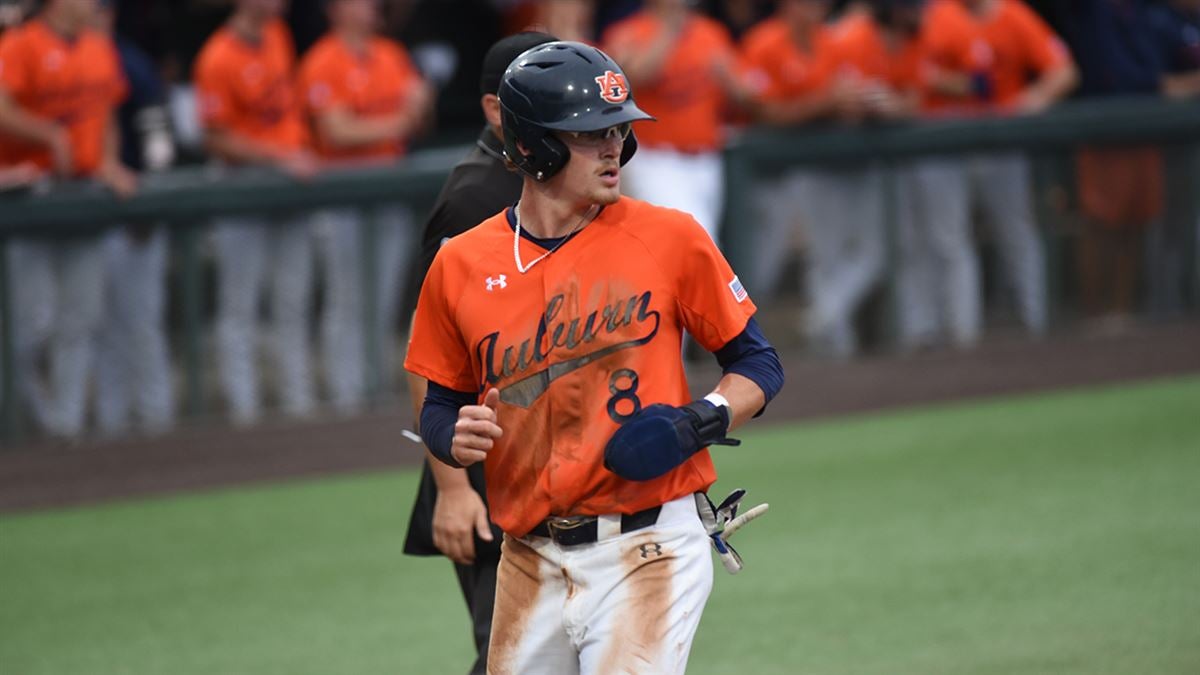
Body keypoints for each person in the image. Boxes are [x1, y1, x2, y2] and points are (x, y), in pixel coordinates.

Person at [404, 41, 784, 674]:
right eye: (588, 135)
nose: (615, 148)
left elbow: (760, 364)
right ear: (531, 146)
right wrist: (450, 435)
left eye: (618, 130)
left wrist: (702, 420)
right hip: (526, 556)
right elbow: (439, 394)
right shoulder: (462, 262)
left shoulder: (669, 237)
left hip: (651, 546)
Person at [401, 30, 558, 675]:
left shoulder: (557, 184)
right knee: (513, 655)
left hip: (550, 459)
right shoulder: (473, 197)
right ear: (497, 109)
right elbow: (427, 355)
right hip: (486, 471)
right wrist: (451, 488)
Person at [0, 0, 136, 438]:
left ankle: (66, 426)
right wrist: (47, 133)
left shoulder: (98, 45)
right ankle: (30, 423)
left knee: (82, 316)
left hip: (81, 193)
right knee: (29, 324)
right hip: (29, 196)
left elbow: (107, 112)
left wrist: (110, 160)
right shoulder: (20, 44)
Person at [907, 0, 1076, 348]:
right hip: (944, 141)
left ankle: (1038, 325)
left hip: (1001, 140)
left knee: (1017, 231)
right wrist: (963, 84)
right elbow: (918, 73)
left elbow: (1065, 71)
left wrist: (1035, 98)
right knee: (949, 241)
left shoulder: (1014, 15)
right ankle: (963, 336)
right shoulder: (936, 15)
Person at [297, 0, 432, 414]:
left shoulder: (390, 54)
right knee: (346, 297)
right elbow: (336, 131)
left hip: (387, 190)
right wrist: (398, 121)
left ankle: (372, 389)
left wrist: (413, 108)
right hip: (340, 194)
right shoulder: (322, 60)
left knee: (384, 295)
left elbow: (421, 115)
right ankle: (345, 394)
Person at [194, 0, 318, 425]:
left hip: (288, 187)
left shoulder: (277, 35)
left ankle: (298, 405)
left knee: (293, 300)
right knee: (239, 306)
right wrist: (277, 158)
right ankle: (244, 416)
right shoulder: (218, 55)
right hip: (241, 189)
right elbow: (214, 137)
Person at [603, 0, 754, 243]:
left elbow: (748, 95)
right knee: (693, 238)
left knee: (685, 244)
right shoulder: (630, 31)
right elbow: (631, 80)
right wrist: (669, 31)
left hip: (705, 160)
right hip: (655, 160)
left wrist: (731, 81)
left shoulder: (710, 32)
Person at [93, 0, 176, 436]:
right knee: (103, 327)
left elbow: (159, 146)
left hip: (132, 213)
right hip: (91, 215)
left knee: (141, 322)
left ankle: (155, 420)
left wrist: (150, 200)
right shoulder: (78, 57)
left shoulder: (129, 63)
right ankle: (111, 426)